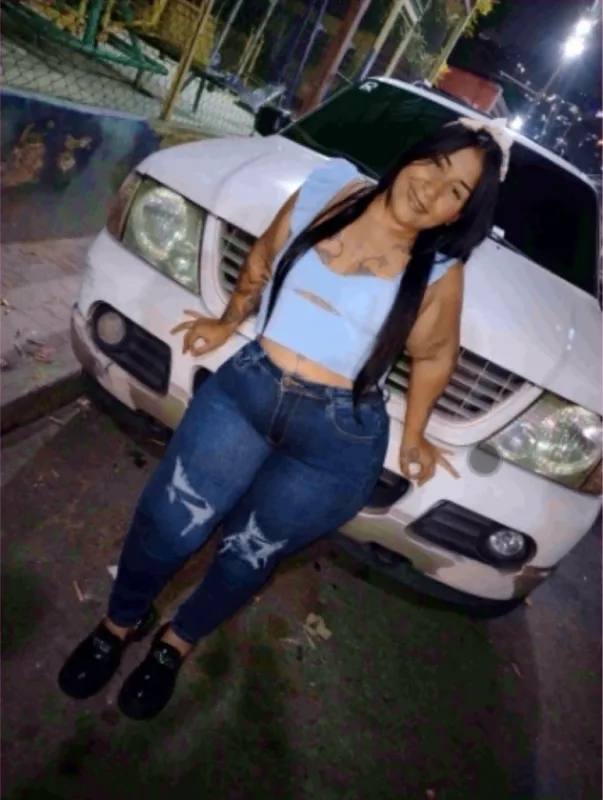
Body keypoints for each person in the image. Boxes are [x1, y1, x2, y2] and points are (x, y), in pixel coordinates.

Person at [59, 117, 512, 720]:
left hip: (336, 440)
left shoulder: (436, 273)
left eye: (456, 190)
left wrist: (414, 435)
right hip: (249, 390)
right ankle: (119, 623)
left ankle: (176, 642)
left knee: (247, 555)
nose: (432, 189)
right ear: (414, 155)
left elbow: (434, 357)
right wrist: (228, 319)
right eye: (436, 164)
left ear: (460, 214)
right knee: (169, 522)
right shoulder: (328, 189)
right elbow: (265, 255)